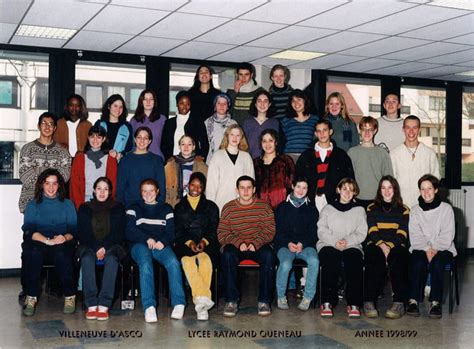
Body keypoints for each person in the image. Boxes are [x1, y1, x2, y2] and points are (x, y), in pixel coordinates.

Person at [126, 178, 186, 323]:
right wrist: (146, 238)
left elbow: (171, 232)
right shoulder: (134, 208)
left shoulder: (166, 208)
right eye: (144, 191)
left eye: (151, 191)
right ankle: (149, 306)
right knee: (146, 262)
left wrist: (163, 242)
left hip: (160, 245)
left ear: (157, 191)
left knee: (173, 262)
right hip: (139, 245)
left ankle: (179, 303)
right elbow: (129, 231)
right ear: (141, 193)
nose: (148, 194)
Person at [21, 169, 77, 316]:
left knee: (63, 254)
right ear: (41, 185)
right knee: (33, 253)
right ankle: (31, 296)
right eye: (47, 183)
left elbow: (73, 230)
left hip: (61, 241)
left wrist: (64, 237)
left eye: (54, 183)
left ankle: (70, 296)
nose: (51, 187)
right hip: (39, 240)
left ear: (59, 185)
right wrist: (47, 241)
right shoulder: (32, 205)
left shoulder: (68, 204)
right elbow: (29, 231)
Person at [218, 176, 276, 317]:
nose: (245, 191)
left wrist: (255, 243)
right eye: (242, 188)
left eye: (249, 187)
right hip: (236, 246)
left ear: (254, 189)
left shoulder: (264, 207)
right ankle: (231, 301)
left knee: (269, 256)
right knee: (227, 254)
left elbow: (270, 231)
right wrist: (239, 243)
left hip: (258, 245)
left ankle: (264, 301)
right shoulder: (228, 208)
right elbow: (222, 233)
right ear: (237, 190)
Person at [407, 174, 456, 319]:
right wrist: (427, 249)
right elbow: (414, 235)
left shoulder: (446, 209)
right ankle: (413, 300)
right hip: (421, 247)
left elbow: (447, 235)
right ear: (420, 191)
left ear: (435, 190)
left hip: (443, 248)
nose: (426, 192)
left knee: (437, 262)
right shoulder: (415, 210)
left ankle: (435, 302)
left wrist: (434, 248)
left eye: (429, 188)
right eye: (423, 189)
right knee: (416, 260)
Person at [77, 177, 126, 321]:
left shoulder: (117, 207)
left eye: (105, 189)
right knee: (86, 259)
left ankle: (104, 304)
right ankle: (91, 304)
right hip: (89, 245)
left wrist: (104, 247)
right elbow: (83, 233)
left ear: (110, 191)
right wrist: (97, 247)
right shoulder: (85, 208)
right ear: (93, 190)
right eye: (99, 188)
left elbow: (118, 233)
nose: (102, 192)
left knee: (111, 260)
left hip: (112, 245)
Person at [317, 178, 367, 318]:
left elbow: (361, 232)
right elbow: (321, 230)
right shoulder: (328, 208)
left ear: (355, 192)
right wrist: (334, 241)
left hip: (351, 244)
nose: (347, 192)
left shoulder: (359, 210)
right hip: (329, 243)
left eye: (351, 190)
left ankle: (354, 303)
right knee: (330, 259)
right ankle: (327, 302)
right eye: (344, 189)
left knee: (354, 260)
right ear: (338, 190)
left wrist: (347, 241)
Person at [174, 172, 219, 321]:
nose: (196, 188)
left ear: (203, 188)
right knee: (188, 262)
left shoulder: (211, 206)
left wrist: (204, 241)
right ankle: (203, 302)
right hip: (185, 243)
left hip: (206, 243)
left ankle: (201, 304)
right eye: (193, 185)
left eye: (200, 186)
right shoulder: (179, 207)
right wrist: (190, 242)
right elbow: (178, 230)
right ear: (188, 186)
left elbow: (213, 229)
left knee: (205, 261)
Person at [364, 175, 410, 319]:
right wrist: (382, 246)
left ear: (395, 189)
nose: (387, 191)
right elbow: (372, 230)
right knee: (373, 258)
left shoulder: (404, 209)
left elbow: (402, 232)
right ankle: (369, 301)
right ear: (379, 190)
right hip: (376, 244)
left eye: (390, 187)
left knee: (398, 259)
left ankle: (399, 303)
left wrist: (389, 247)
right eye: (383, 188)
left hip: (396, 245)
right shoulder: (371, 207)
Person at [274, 177, 319, 311]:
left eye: (304, 188)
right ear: (293, 186)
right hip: (285, 245)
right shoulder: (282, 207)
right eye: (298, 186)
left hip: (304, 246)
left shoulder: (311, 208)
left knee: (314, 260)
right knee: (286, 263)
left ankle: (308, 297)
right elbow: (277, 231)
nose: (301, 190)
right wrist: (287, 243)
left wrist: (302, 243)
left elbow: (314, 231)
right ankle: (281, 296)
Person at [296, 119, 354, 213]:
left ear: (330, 131)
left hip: (334, 201)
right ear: (315, 133)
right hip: (311, 201)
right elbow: (297, 177)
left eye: (325, 130)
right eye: (319, 131)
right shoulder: (306, 155)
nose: (322, 134)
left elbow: (349, 179)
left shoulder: (341, 155)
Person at [19, 112, 72, 213]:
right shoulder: (27, 149)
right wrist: (46, 186)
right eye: (44, 123)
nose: (47, 127)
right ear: (38, 126)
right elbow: (24, 174)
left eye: (51, 124)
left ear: (55, 128)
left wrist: (49, 188)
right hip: (31, 200)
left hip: (55, 202)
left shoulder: (63, 151)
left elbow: (65, 174)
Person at [390, 115, 440, 208]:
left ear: (419, 129)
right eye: (408, 128)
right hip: (402, 206)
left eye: (415, 128)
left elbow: (435, 180)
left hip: (425, 205)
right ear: (403, 129)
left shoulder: (429, 153)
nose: (411, 131)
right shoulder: (394, 154)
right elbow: (392, 183)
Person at [206, 124, 255, 213]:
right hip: (221, 205)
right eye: (232, 134)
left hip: (242, 205)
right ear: (227, 136)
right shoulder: (217, 156)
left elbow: (251, 182)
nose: (235, 138)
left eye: (238, 135)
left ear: (241, 138)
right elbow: (211, 185)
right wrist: (210, 207)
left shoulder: (246, 157)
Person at [348, 116, 393, 208]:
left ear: (375, 130)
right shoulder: (352, 152)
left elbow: (389, 179)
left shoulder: (382, 153)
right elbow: (348, 178)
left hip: (377, 200)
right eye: (364, 129)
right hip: (356, 199)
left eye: (370, 129)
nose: (367, 132)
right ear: (359, 130)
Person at [69, 125, 118, 210]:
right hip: (83, 201)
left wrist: (108, 205)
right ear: (88, 138)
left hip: (104, 201)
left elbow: (112, 186)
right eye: (92, 137)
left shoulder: (110, 160)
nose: (95, 140)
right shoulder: (79, 158)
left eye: (99, 137)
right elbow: (74, 186)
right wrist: (80, 207)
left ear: (103, 139)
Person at [117, 126, 166, 207]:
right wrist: (121, 208)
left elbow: (161, 187)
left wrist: (159, 206)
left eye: (146, 138)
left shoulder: (157, 160)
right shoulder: (125, 160)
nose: (142, 140)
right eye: (139, 137)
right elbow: (120, 188)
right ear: (135, 139)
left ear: (150, 141)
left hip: (151, 204)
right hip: (130, 205)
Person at [161, 90, 208, 161]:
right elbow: (163, 144)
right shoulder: (169, 123)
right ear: (177, 104)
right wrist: (168, 157)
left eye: (188, 104)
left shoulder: (197, 122)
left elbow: (205, 143)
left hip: (192, 161)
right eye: (181, 103)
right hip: (173, 161)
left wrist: (201, 156)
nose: (185, 107)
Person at [254, 129, 295, 209]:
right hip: (260, 208)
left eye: (270, 140)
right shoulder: (255, 163)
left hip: (282, 208)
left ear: (276, 142)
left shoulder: (286, 161)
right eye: (264, 141)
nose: (267, 144)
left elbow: (292, 185)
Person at [164, 135, 208, 208]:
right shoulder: (169, 166)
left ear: (193, 147)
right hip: (174, 205)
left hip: (196, 205)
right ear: (179, 147)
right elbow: (164, 189)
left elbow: (206, 189)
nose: (186, 147)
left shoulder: (202, 166)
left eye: (189, 144)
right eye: (183, 144)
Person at [280, 89, 319, 163]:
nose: (296, 103)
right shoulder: (285, 120)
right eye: (293, 101)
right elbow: (281, 142)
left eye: (299, 99)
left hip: (308, 157)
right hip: (289, 158)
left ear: (305, 101)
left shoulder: (315, 119)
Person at [130, 89, 166, 160]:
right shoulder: (134, 120)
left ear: (154, 101)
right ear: (141, 102)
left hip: (157, 158)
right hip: (138, 158)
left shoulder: (162, 119)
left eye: (151, 99)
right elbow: (131, 143)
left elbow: (166, 142)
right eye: (145, 99)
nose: (148, 102)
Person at [242, 90, 279, 159]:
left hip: (269, 162)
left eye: (265, 101)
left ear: (269, 104)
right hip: (250, 161)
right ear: (255, 104)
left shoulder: (275, 123)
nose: (262, 104)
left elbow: (277, 145)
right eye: (259, 101)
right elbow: (242, 144)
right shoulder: (247, 122)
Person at [96, 94, 133, 161]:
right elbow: (93, 144)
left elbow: (130, 148)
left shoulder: (127, 127)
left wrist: (121, 154)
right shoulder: (99, 124)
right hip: (100, 164)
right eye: (115, 106)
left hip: (120, 165)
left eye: (121, 107)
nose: (118, 109)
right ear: (109, 106)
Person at [204, 93, 237, 164]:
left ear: (228, 107)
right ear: (215, 106)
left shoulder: (233, 123)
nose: (222, 106)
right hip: (211, 160)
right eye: (219, 103)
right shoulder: (207, 123)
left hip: (228, 160)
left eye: (224, 103)